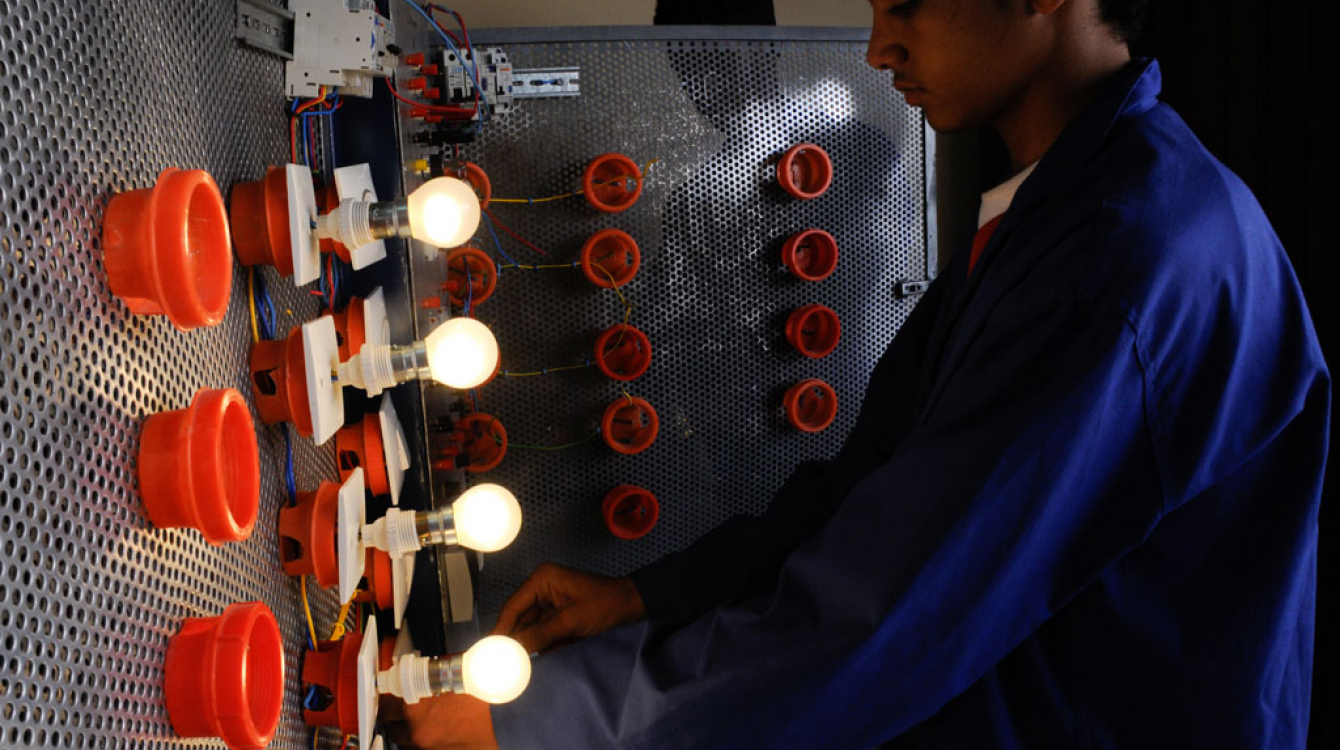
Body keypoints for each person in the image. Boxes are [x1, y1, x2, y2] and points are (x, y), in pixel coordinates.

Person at [385, 1, 1329, 747]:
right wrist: (649, 595)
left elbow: (885, 618)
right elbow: (870, 488)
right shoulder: (1064, 209)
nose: (878, 49)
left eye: (907, 6)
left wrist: (539, 727)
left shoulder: (1123, 266)